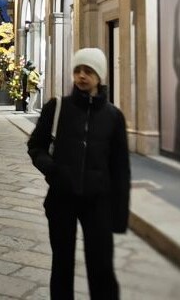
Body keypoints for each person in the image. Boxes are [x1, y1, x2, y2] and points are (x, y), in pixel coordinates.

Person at [27, 47, 130, 300]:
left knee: (102, 267)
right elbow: (35, 146)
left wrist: (119, 215)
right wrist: (52, 169)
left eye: (88, 71)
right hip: (62, 198)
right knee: (62, 265)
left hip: (99, 202)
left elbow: (120, 169)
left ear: (100, 76)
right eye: (78, 70)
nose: (82, 76)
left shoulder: (113, 117)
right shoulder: (57, 107)